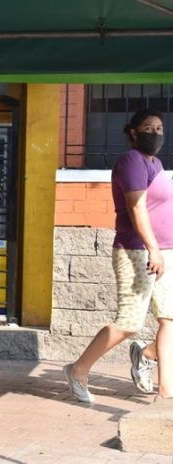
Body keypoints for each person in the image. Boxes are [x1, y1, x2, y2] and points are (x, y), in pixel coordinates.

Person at [64, 108, 173, 403]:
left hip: (164, 251)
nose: (156, 133)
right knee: (128, 322)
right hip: (138, 251)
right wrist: (153, 249)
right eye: (149, 128)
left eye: (160, 129)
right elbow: (137, 208)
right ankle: (78, 369)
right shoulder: (131, 162)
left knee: (170, 318)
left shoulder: (156, 163)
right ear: (133, 132)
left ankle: (165, 390)